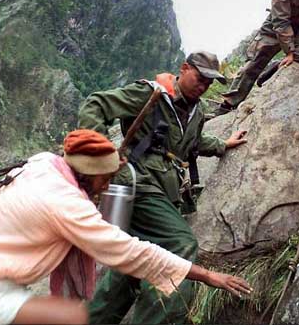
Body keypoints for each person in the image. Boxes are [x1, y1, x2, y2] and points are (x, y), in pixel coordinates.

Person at [0, 129, 251, 325]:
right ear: (93, 175)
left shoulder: (44, 163)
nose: (107, 186)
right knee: (71, 317)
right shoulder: (68, 204)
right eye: (107, 179)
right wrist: (206, 275)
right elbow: (131, 251)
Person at [77, 51, 248, 324]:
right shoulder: (150, 94)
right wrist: (101, 155)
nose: (203, 85)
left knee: (131, 266)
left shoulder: (197, 111)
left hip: (163, 192)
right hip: (137, 185)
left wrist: (222, 145)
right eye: (200, 77)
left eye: (209, 82)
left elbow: (193, 142)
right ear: (184, 68)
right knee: (179, 244)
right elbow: (96, 104)